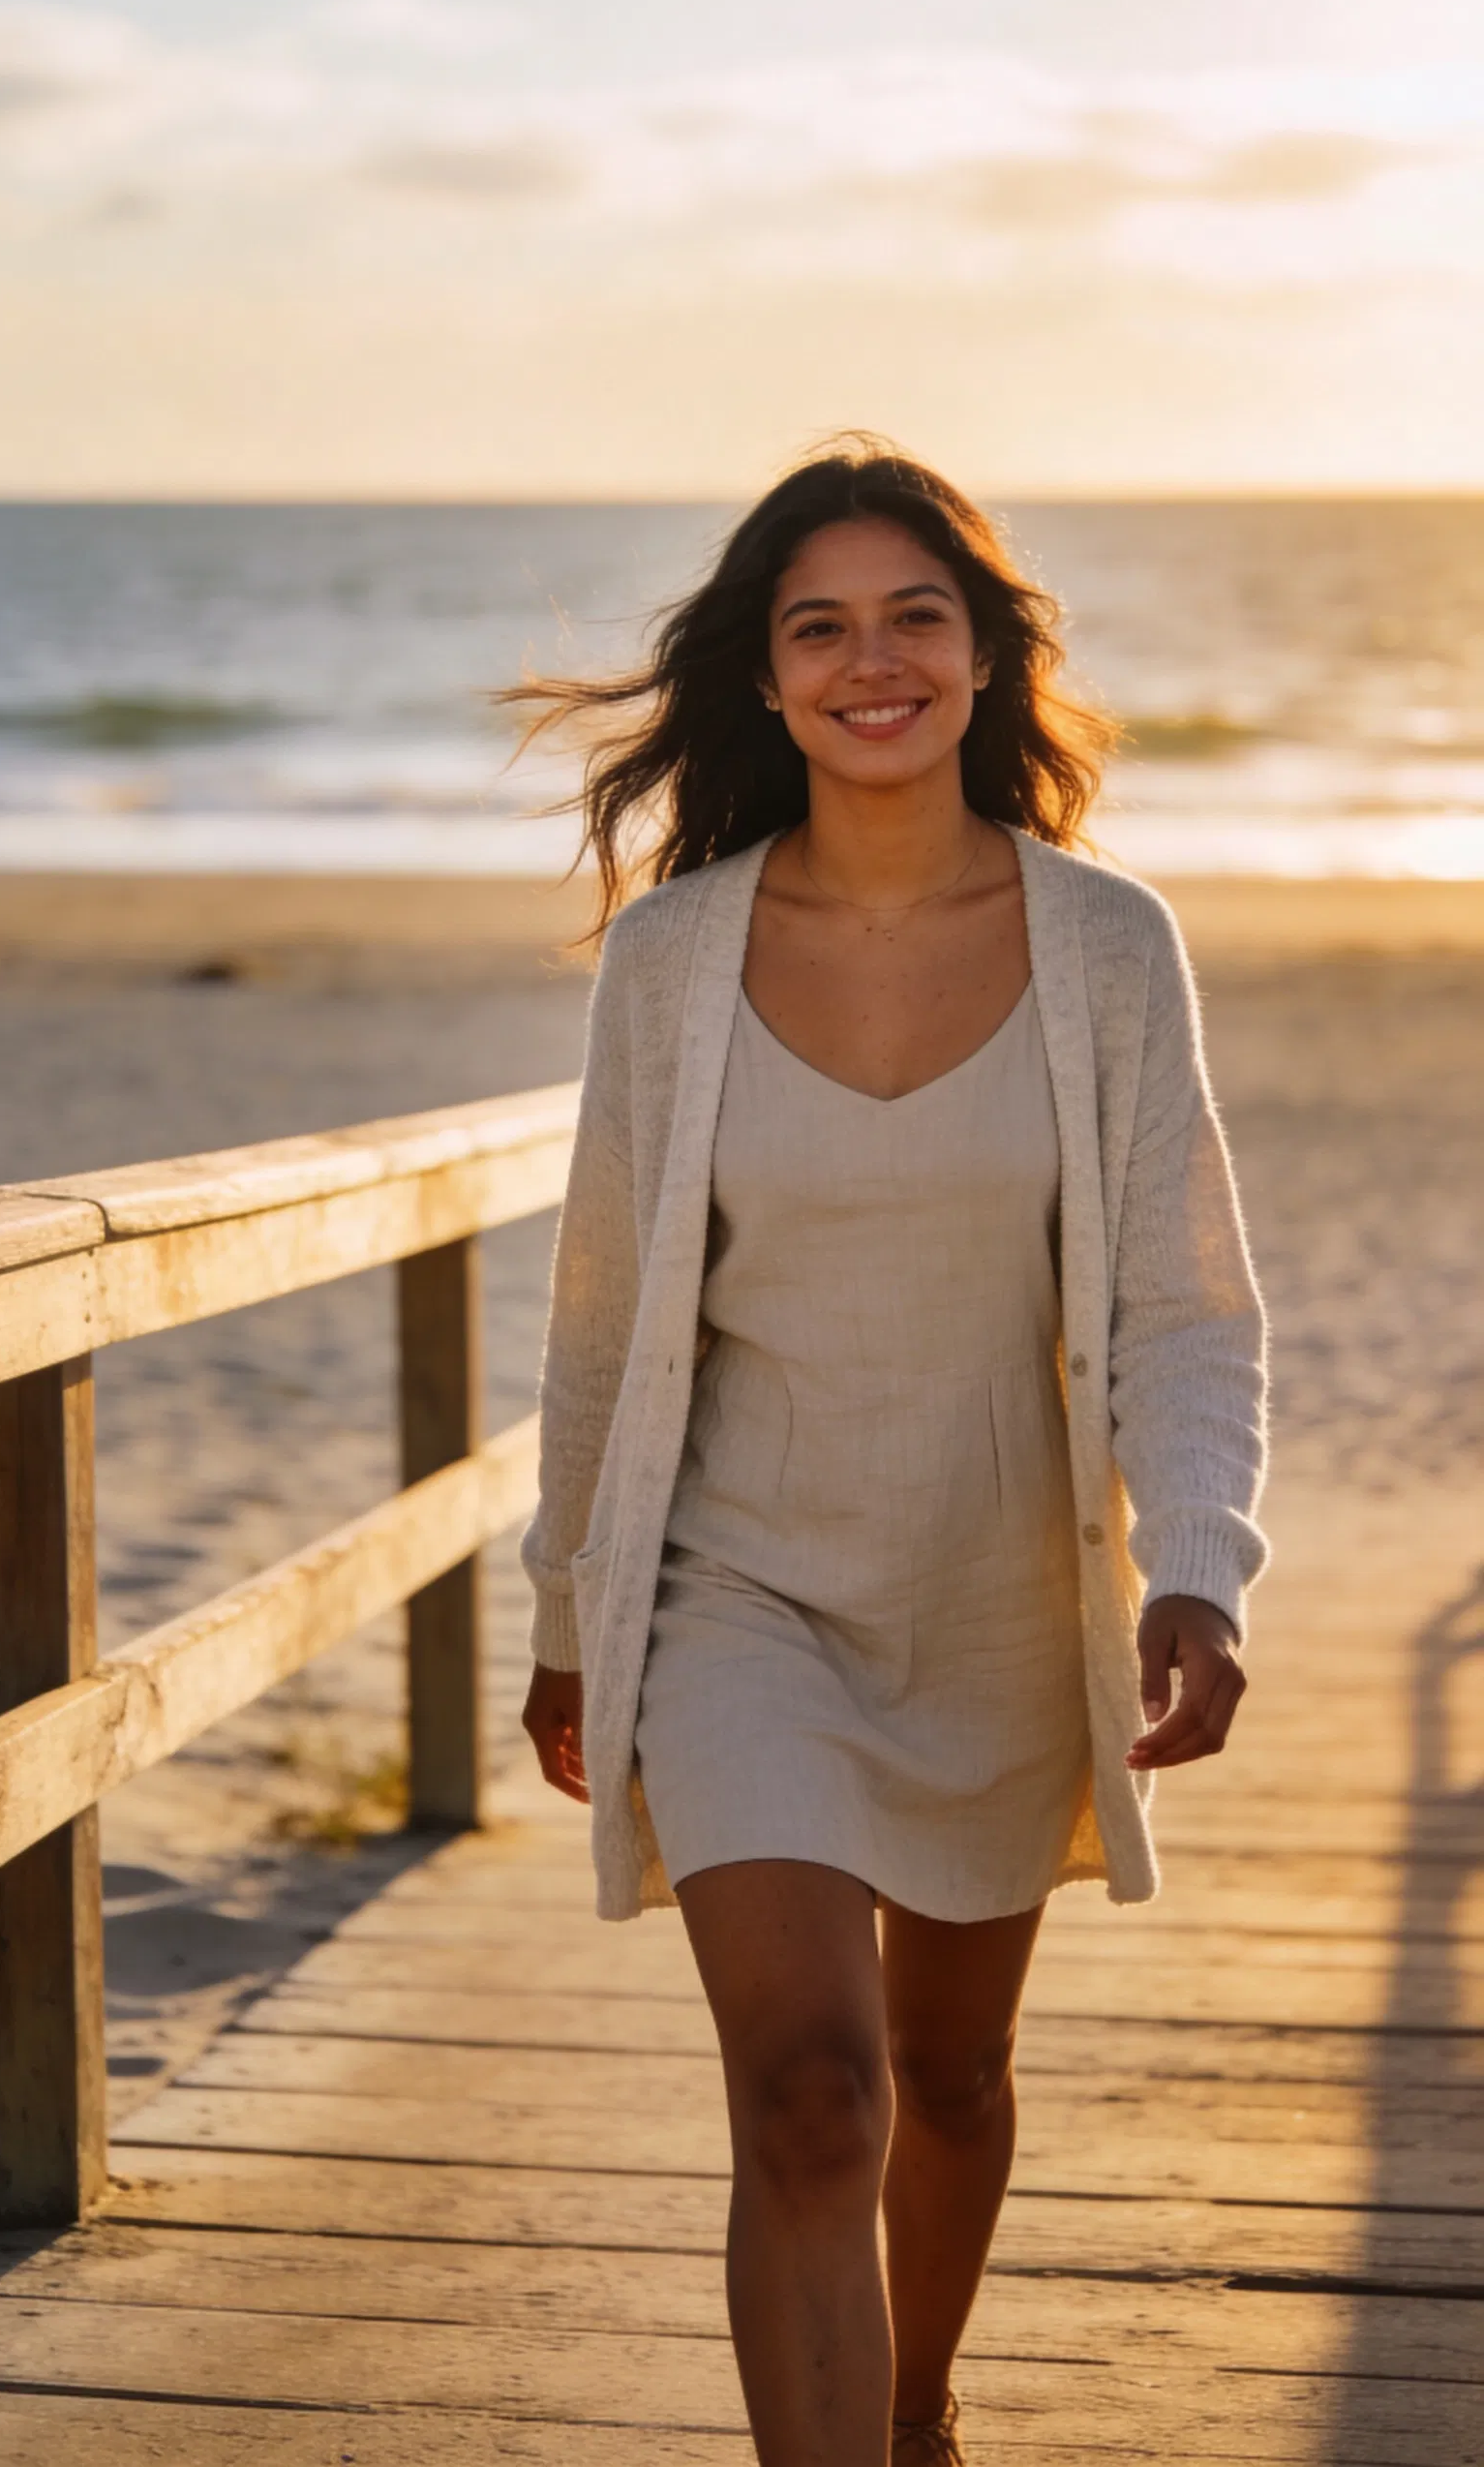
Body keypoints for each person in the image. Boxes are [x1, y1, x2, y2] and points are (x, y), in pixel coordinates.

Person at [514, 441, 1268, 2467]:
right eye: (817, 625)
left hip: (999, 1596)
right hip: (733, 1595)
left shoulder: (1105, 950)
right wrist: (572, 1612)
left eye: (911, 616)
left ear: (981, 657)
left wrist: (1193, 1559)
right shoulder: (675, 964)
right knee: (809, 2099)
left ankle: (913, 2408)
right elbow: (600, 1320)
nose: (870, 660)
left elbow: (1191, 1302)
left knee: (945, 2078)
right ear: (763, 680)